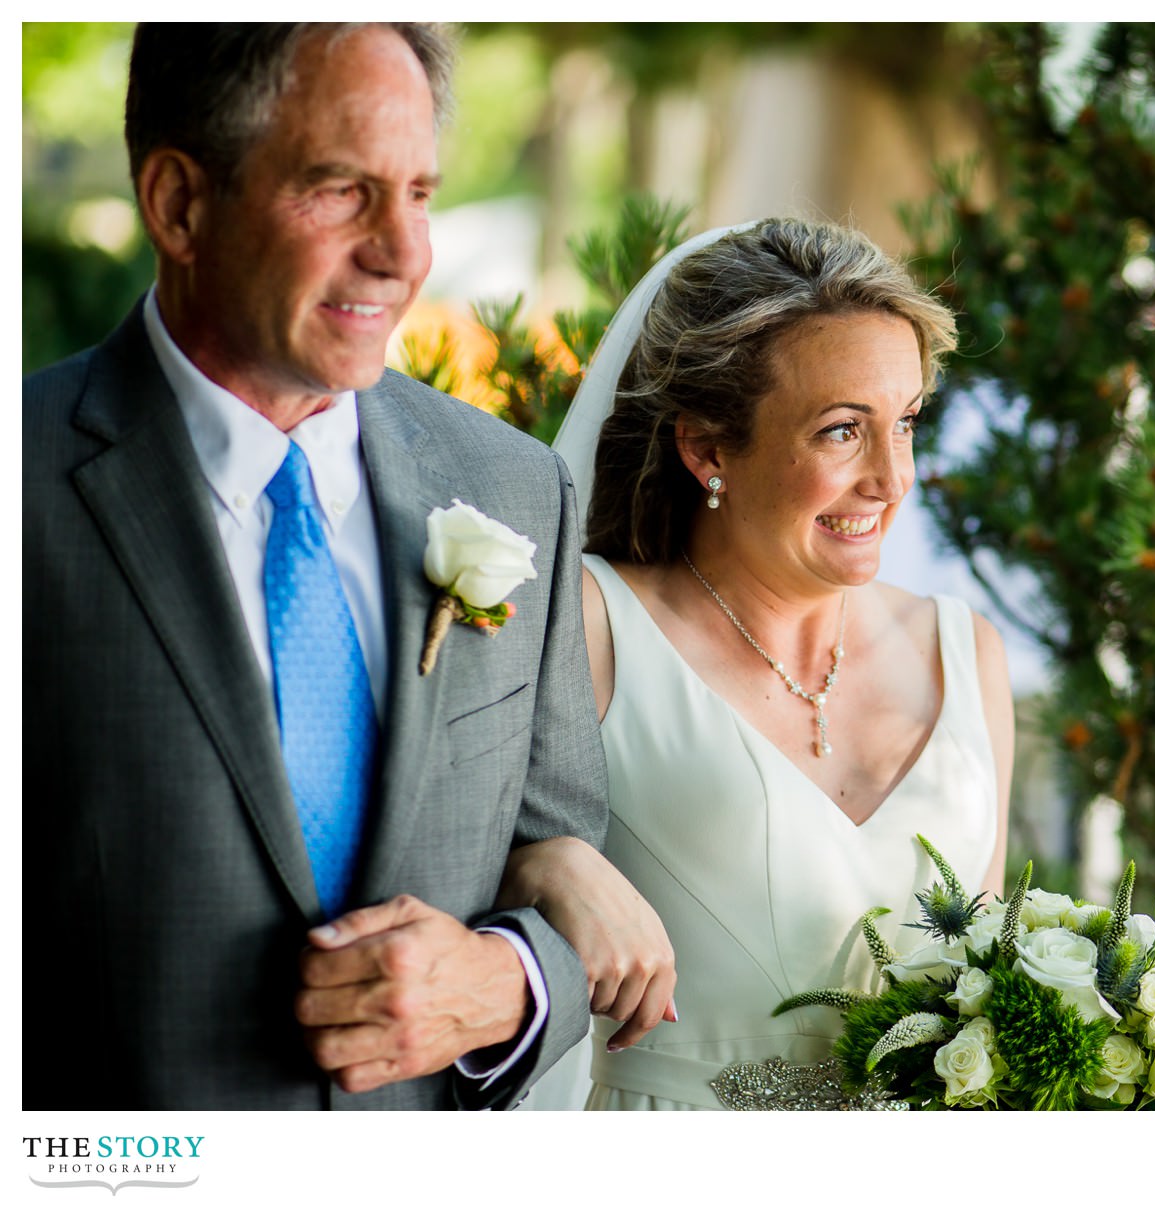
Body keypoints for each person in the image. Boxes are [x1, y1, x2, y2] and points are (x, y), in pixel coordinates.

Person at [21, 22, 666, 1110]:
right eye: (339, 190)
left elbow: (555, 848)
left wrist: (511, 988)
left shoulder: (510, 487)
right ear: (179, 203)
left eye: (417, 193)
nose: (405, 252)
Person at [503, 218, 1014, 1109]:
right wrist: (543, 865)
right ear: (707, 449)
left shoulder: (966, 651)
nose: (893, 479)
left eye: (906, 423)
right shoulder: (589, 626)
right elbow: (437, 874)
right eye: (842, 432)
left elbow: (993, 977)